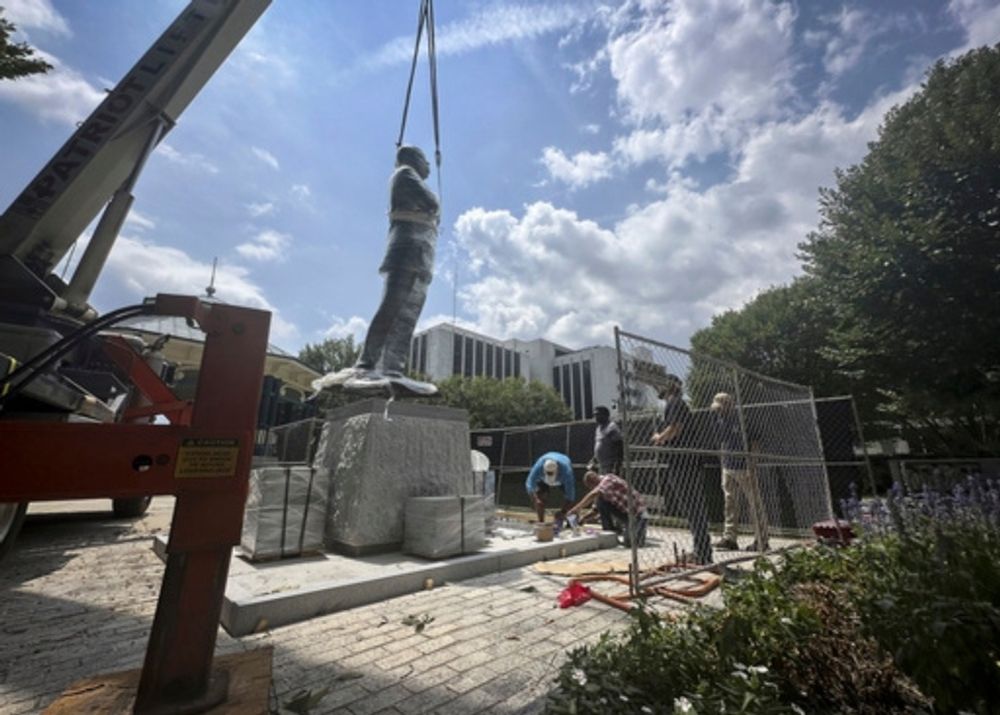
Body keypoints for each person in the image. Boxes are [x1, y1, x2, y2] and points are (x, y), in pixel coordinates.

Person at [312, 145, 439, 393]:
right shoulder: (404, 173)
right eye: (426, 160)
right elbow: (431, 202)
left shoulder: (407, 174)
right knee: (392, 308)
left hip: (420, 256)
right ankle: (366, 365)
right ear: (414, 158)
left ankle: (392, 368)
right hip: (407, 252)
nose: (430, 167)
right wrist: (433, 207)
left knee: (408, 314)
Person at [650, 374, 713, 563]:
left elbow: (676, 428)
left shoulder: (675, 403)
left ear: (668, 387)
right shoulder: (676, 403)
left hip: (683, 462)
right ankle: (702, 551)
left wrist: (659, 438)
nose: (657, 388)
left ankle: (702, 553)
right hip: (685, 460)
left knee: (693, 507)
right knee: (694, 508)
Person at [711, 392, 769, 551]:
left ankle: (762, 540)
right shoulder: (719, 419)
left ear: (729, 405)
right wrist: (723, 461)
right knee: (730, 503)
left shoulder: (743, 419)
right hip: (728, 465)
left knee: (754, 503)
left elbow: (755, 442)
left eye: (721, 408)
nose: (718, 411)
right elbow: (721, 442)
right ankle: (730, 538)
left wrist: (752, 465)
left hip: (744, 467)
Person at [569, 471, 647, 547]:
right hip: (626, 513)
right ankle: (610, 530)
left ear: (593, 481)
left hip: (638, 515)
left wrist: (576, 509)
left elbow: (594, 493)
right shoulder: (603, 491)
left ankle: (632, 531)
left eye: (590, 487)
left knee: (632, 543)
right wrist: (583, 519)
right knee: (601, 501)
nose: (591, 489)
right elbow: (597, 510)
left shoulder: (608, 479)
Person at [524, 451, 576, 523]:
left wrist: (563, 512)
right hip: (543, 479)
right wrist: (535, 499)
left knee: (570, 501)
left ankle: (572, 522)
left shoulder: (566, 472)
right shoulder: (538, 467)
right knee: (540, 498)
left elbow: (570, 497)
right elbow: (529, 484)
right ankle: (541, 521)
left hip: (561, 478)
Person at [588, 405, 623, 475]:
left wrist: (617, 465)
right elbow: (600, 445)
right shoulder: (598, 429)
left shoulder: (611, 427)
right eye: (595, 415)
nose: (596, 417)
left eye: (598, 415)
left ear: (605, 415)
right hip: (601, 465)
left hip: (610, 466)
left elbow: (619, 446)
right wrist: (594, 460)